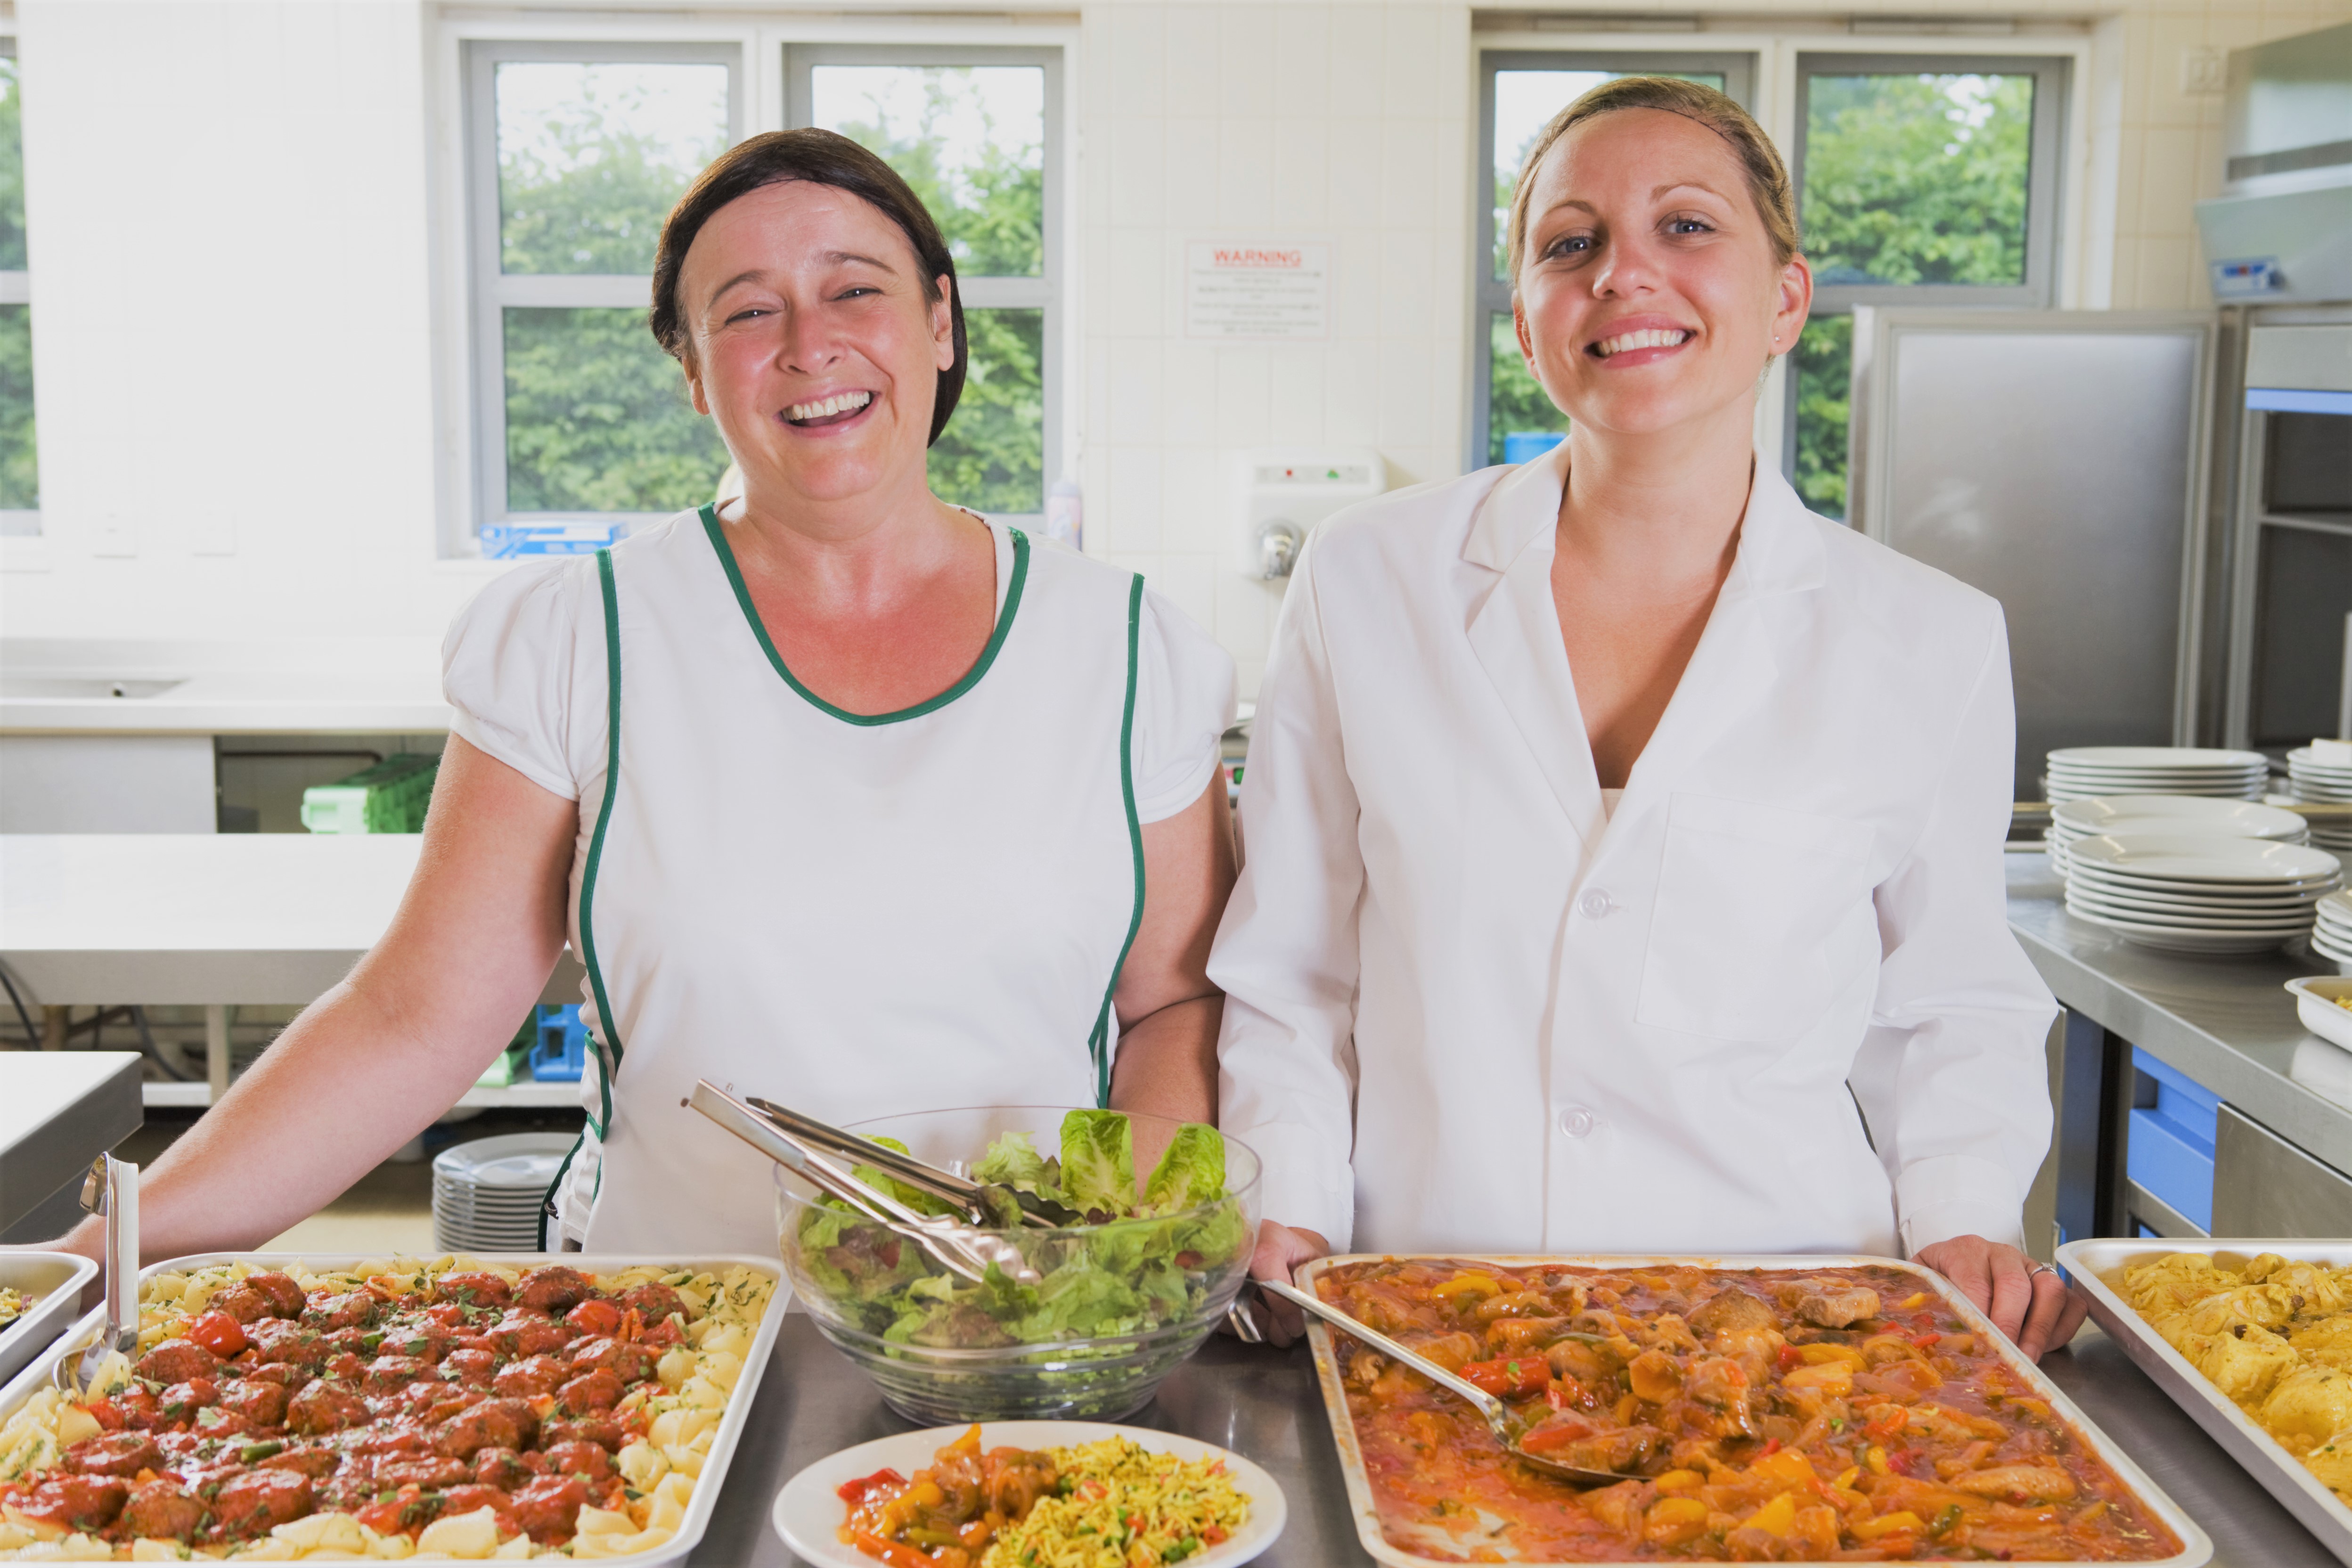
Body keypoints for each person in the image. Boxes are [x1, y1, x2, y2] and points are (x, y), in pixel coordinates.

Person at [50, 129, 1236, 1261]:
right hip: (677, 1331)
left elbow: (1173, 1009)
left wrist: (1097, 1266)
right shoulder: (578, 634)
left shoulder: (1128, 646)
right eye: (749, 310)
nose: (809, 343)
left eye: (856, 290)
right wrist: (119, 1243)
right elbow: (412, 1021)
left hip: (1030, 1336)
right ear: (691, 368)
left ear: (939, 321)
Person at [1215, 78, 2084, 1359]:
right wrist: (1285, 1191)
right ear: (1526, 320)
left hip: (1790, 1328)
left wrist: (1960, 1213)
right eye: (1573, 244)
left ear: (1786, 298)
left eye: (1687, 227)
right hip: (1432, 1319)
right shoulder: (1368, 577)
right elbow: (1293, 966)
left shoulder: (1928, 637)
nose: (1626, 274)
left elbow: (1952, 999)